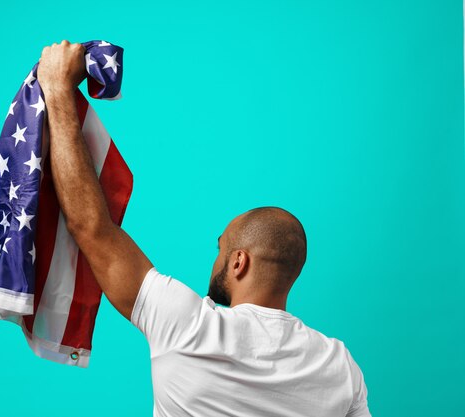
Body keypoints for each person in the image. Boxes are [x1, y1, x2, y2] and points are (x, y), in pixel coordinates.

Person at [36, 39, 372, 417]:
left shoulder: (187, 325)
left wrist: (58, 88)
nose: (216, 260)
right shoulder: (339, 365)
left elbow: (91, 227)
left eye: (221, 249)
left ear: (239, 262)